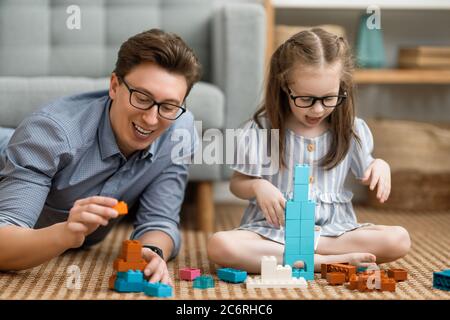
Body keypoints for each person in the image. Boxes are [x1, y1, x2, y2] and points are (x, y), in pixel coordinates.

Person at [0, 29, 202, 286]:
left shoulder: (179, 130)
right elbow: (3, 243)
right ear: (115, 86)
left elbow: (160, 220)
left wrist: (152, 252)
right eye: (141, 98)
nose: (151, 119)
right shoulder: (51, 134)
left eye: (169, 106)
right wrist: (65, 234)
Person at [207, 28, 411, 273]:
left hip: (335, 231)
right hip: (275, 232)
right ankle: (323, 261)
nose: (317, 110)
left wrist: (380, 165)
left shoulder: (351, 129)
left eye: (328, 98)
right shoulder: (260, 129)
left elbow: (368, 166)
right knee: (220, 245)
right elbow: (237, 184)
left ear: (342, 87)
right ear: (284, 86)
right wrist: (257, 186)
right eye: (305, 99)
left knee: (399, 239)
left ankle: (304, 253)